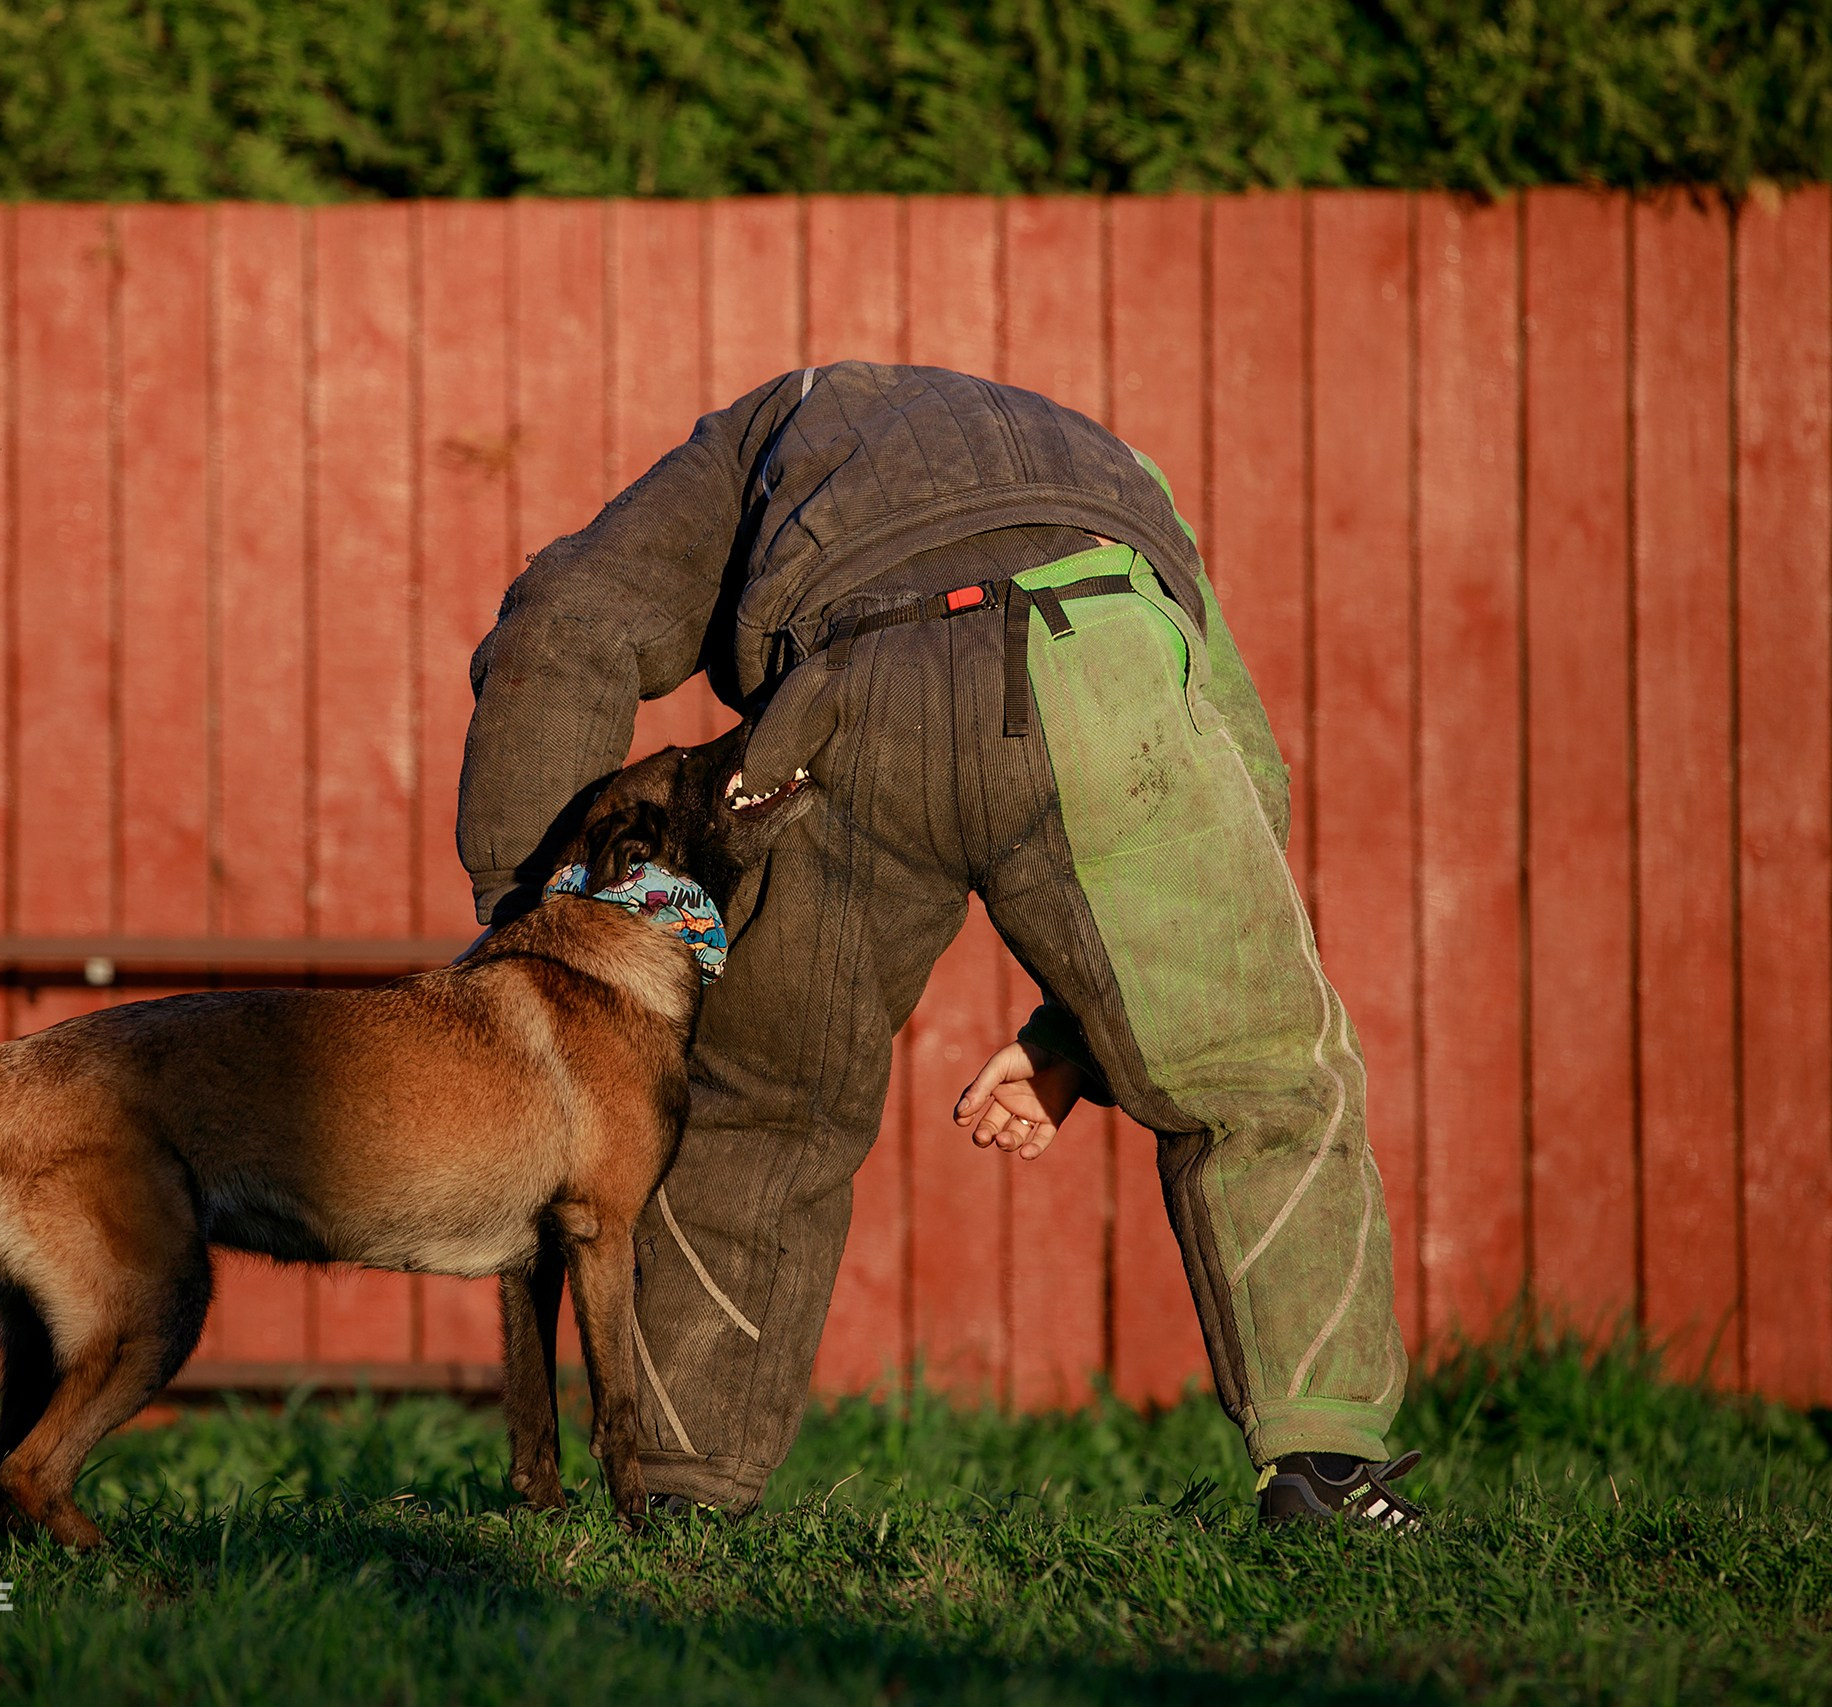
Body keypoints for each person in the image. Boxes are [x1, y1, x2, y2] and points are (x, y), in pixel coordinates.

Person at [457, 362, 1421, 1529]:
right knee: (1264, 1074)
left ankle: (675, 1495)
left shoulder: (759, 437)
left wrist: (528, 930)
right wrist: (1077, 1043)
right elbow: (1242, 777)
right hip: (1098, 664)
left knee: (755, 1113)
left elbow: (564, 626)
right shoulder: (1116, 465)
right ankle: (1325, 1470)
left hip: (842, 704)